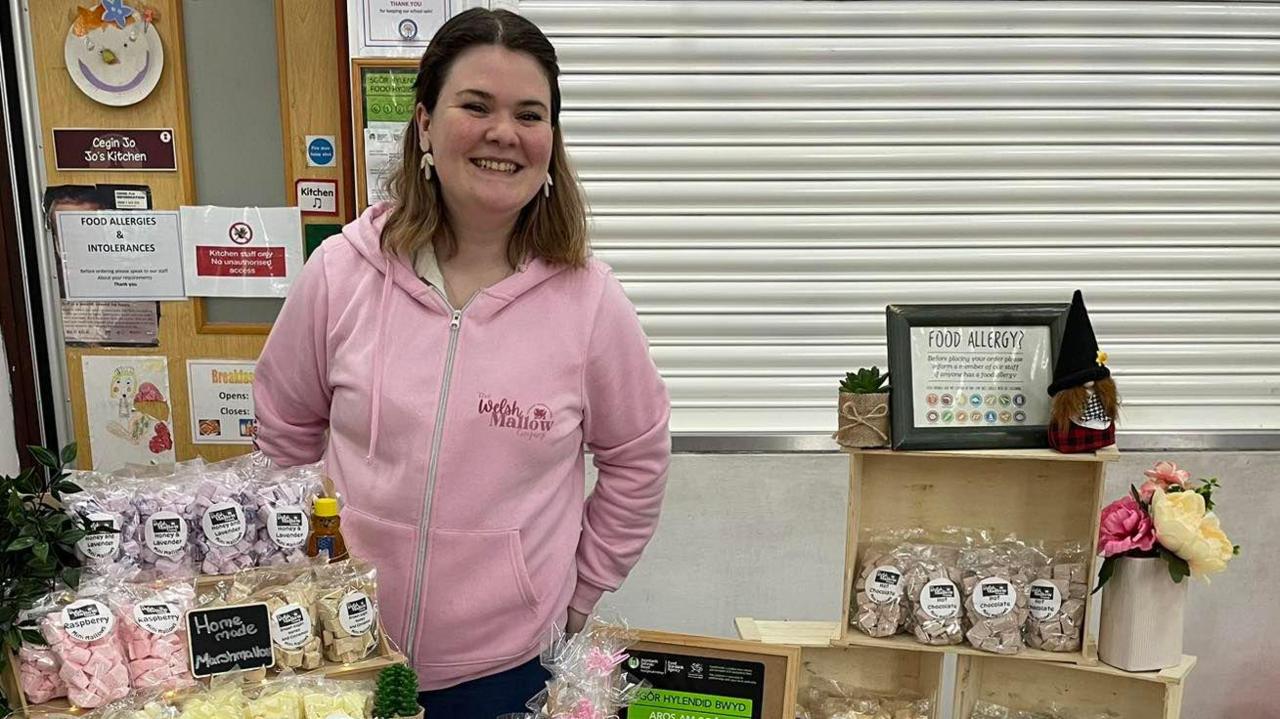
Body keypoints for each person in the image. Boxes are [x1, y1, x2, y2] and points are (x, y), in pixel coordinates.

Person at [253, 9, 670, 718]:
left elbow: (638, 458)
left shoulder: (590, 302)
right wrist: (302, 579)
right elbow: (282, 435)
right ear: (424, 124)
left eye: (529, 114)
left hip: (506, 674)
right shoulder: (340, 274)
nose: (502, 132)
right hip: (342, 654)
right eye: (475, 105)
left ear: (550, 142)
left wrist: (579, 591)